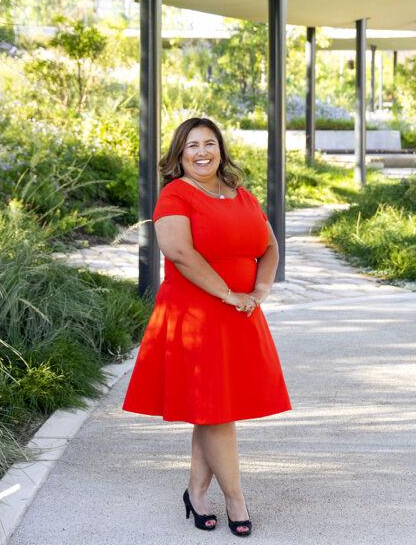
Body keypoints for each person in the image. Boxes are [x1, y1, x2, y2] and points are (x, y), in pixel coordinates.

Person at [122, 117, 291, 537]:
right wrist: (227, 293)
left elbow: (269, 246)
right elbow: (179, 251)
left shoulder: (241, 196)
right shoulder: (175, 194)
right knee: (218, 410)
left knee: (213, 408)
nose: (202, 152)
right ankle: (236, 499)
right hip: (196, 313)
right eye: (192, 145)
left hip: (239, 312)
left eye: (210, 143)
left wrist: (261, 289)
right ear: (179, 155)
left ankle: (196, 493)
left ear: (221, 150)